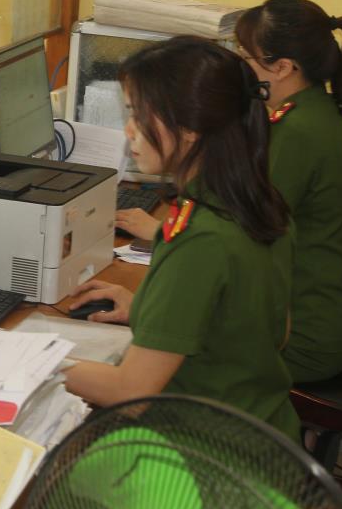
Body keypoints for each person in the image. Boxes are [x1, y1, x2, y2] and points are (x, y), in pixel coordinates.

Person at [62, 36, 300, 441]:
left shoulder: (199, 237)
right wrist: (152, 311)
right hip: (263, 436)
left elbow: (130, 394)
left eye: (139, 114)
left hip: (201, 455)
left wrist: (33, 364)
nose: (129, 130)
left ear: (190, 128)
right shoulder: (259, 206)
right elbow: (274, 332)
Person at [234, 0, 342, 383]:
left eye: (245, 56)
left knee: (172, 359)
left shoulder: (298, 130)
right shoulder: (316, 111)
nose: (239, 65)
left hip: (301, 338)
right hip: (316, 318)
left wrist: (160, 231)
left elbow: (247, 231)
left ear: (282, 67)